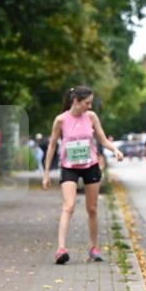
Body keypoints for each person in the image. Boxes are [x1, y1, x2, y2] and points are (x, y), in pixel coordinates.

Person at [43, 86, 123, 264]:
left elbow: (102, 139)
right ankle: (61, 249)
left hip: (90, 165)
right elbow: (52, 146)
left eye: (90, 103)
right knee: (68, 206)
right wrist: (46, 173)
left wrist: (115, 150)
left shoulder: (91, 117)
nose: (89, 106)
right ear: (76, 101)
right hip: (69, 166)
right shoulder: (61, 120)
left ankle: (93, 248)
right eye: (87, 103)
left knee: (92, 208)